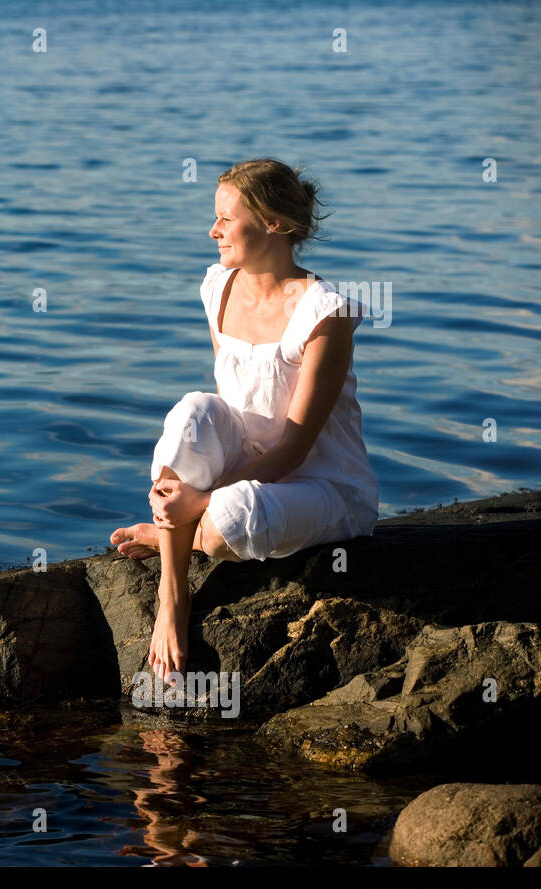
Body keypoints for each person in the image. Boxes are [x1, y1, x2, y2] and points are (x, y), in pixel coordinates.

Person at [110, 158, 380, 683]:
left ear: (275, 224)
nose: (213, 231)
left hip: (322, 486)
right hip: (248, 467)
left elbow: (294, 449)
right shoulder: (219, 287)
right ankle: (173, 595)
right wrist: (198, 492)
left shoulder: (326, 315)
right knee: (193, 410)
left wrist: (203, 500)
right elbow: (228, 405)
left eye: (227, 220)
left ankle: (183, 530)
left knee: (227, 521)